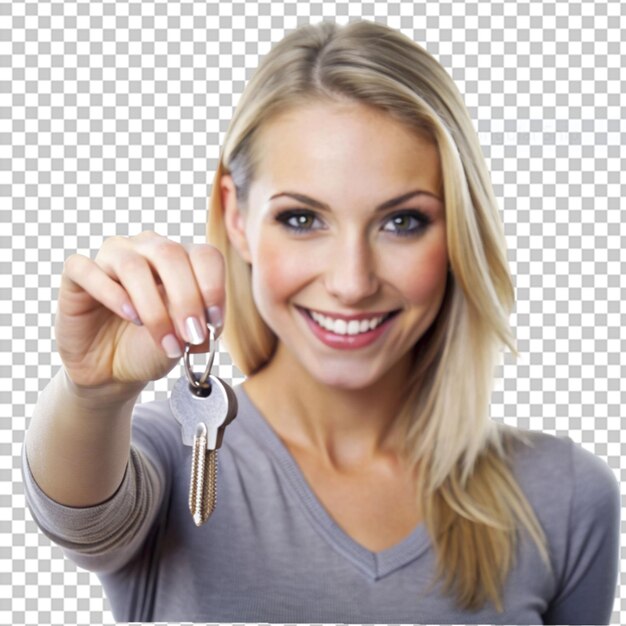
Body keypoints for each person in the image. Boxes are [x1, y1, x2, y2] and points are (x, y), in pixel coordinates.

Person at [21, 18, 619, 624]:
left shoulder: (565, 498)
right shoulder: (166, 455)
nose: (352, 282)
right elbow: (80, 518)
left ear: (458, 230)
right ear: (236, 215)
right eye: (303, 219)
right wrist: (93, 395)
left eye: (402, 222)